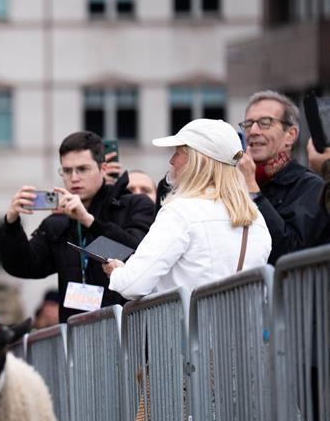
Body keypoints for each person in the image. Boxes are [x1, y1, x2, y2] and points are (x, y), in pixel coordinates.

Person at [0, 130, 156, 322]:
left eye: (82, 169)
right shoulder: (57, 222)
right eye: (67, 170)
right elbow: (23, 267)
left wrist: (88, 220)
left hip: (128, 332)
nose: (74, 178)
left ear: (103, 169)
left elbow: (137, 255)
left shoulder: (135, 204)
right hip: (78, 337)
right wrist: (11, 223)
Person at [103, 118, 271, 297]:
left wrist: (117, 272)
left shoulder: (181, 211)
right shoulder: (256, 218)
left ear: (199, 161)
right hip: (244, 324)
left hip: (190, 323)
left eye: (178, 152)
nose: (172, 160)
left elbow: (133, 285)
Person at [240, 90, 330, 262]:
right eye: (248, 124)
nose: (253, 130)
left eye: (264, 123)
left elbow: (293, 253)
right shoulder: (237, 184)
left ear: (290, 135)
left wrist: (254, 192)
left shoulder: (310, 187)